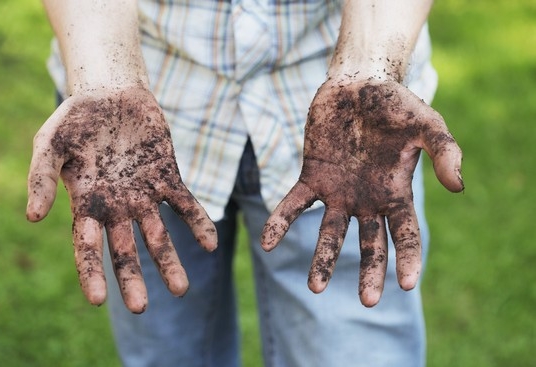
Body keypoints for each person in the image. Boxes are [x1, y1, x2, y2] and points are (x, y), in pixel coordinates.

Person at [27, 0, 463, 366]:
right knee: (166, 353)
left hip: (346, 134)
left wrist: (371, 69)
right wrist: (104, 77)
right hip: (131, 135)